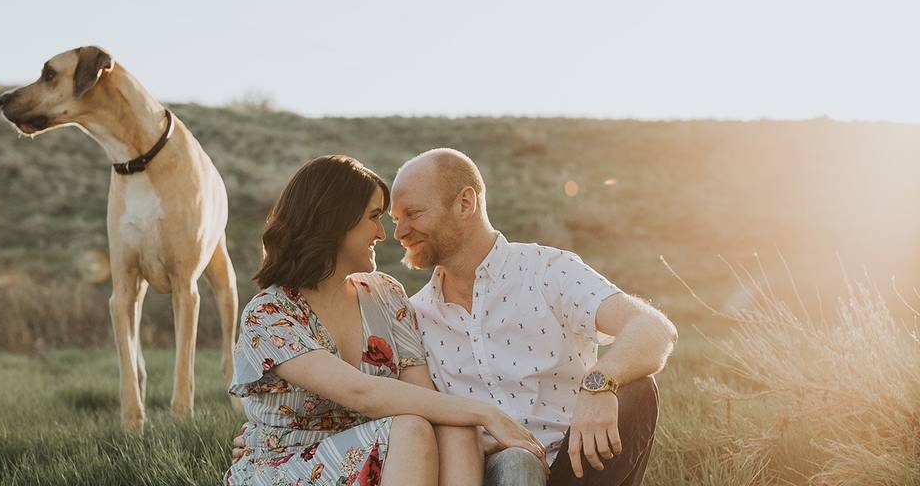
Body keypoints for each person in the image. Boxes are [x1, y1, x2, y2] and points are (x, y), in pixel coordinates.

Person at [224, 155, 546, 486]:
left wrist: (470, 424)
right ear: (335, 221)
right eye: (374, 217)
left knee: (451, 423)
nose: (382, 233)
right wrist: (486, 413)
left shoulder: (387, 295)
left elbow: (425, 396)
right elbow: (361, 392)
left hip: (380, 456)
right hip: (287, 465)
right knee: (413, 426)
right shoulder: (270, 314)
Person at [390, 148, 678, 486]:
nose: (400, 232)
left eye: (413, 213)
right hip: (488, 474)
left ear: (465, 204)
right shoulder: (413, 316)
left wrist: (599, 383)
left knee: (638, 390)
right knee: (516, 463)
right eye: (395, 219)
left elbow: (654, 329)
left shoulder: (547, 270)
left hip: (580, 467)